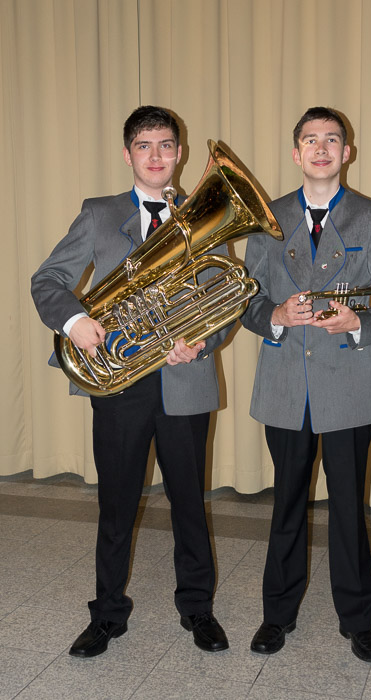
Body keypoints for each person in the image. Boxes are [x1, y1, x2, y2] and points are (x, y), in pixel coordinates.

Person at [31, 106, 231, 658]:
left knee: (190, 503)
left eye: (166, 145)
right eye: (144, 146)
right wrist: (75, 321)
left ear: (180, 153)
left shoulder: (206, 212)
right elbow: (48, 280)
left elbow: (227, 295)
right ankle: (107, 615)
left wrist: (201, 340)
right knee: (116, 506)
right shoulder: (99, 214)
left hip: (185, 378)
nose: (156, 155)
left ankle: (198, 609)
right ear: (127, 154)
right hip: (120, 385)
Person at [240, 106, 371, 662]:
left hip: (348, 385)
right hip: (286, 385)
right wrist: (276, 316)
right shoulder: (266, 217)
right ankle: (277, 615)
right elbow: (244, 299)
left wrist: (358, 323)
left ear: (347, 152)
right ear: (296, 153)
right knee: (286, 503)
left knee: (348, 507)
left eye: (331, 140)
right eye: (310, 140)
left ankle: (358, 621)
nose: (321, 148)